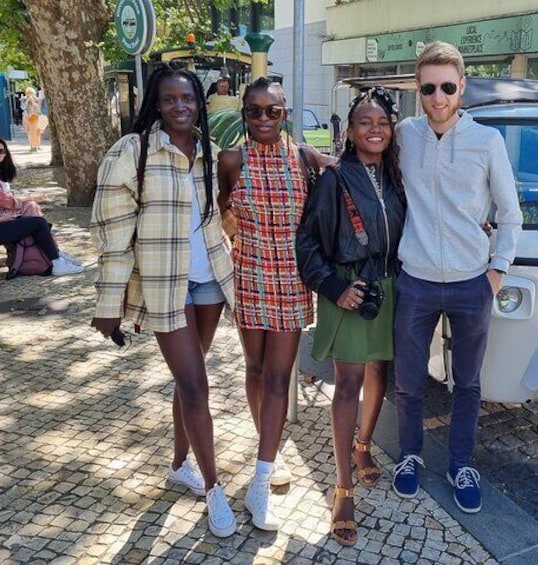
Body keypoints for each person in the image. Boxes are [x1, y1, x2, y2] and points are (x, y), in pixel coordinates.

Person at [89, 64, 238, 538]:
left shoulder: (207, 150)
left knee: (187, 378)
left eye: (188, 99)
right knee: (196, 386)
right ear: (155, 101)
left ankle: (178, 465)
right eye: (171, 99)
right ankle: (215, 489)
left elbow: (215, 216)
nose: (180, 107)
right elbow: (113, 236)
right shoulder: (131, 152)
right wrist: (108, 303)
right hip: (164, 285)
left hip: (209, 281)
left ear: (200, 103)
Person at [391, 41, 522, 514]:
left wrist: (498, 270)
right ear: (418, 88)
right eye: (429, 87)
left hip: (472, 282)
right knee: (406, 381)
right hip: (417, 279)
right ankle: (409, 456)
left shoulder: (487, 142)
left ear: (462, 86)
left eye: (448, 86)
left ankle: (461, 463)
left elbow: (510, 214)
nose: (438, 97)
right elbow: (360, 154)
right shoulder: (405, 134)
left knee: (467, 383)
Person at [296, 87, 405, 546]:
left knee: (381, 369)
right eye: (365, 121)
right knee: (348, 384)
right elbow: (306, 244)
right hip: (349, 290)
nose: (374, 128)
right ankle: (342, 488)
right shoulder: (334, 179)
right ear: (351, 130)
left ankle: (363, 446)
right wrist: (334, 287)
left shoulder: (398, 176)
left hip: (391, 288)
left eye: (382, 121)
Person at [217, 77, 323, 532]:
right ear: (244, 114)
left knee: (280, 376)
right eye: (255, 111)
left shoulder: (303, 158)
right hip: (249, 278)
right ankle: (271, 448)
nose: (263, 118)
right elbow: (219, 208)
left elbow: (349, 185)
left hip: (292, 280)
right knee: (255, 370)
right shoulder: (231, 160)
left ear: (286, 113)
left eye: (272, 111)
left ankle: (261, 481)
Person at [0, 134, 83, 277]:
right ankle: (57, 262)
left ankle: (55, 257)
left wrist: (3, 216)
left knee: (29, 220)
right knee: (38, 223)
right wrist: (1, 219)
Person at [0, 137, 48, 217]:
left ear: (5, 154)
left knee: (31, 205)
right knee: (30, 206)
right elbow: (1, 200)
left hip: (3, 208)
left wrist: (27, 197)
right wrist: (30, 197)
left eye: (0, 151)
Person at [21, 87, 49, 151]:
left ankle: (36, 146)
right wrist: (27, 100)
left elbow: (38, 107)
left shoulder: (37, 99)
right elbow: (23, 107)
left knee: (35, 132)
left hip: (35, 116)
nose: (30, 94)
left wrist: (34, 101)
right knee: (30, 132)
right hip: (27, 116)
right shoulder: (24, 99)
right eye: (28, 93)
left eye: (31, 93)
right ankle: (32, 145)